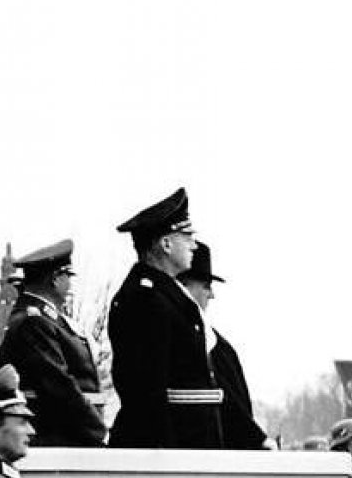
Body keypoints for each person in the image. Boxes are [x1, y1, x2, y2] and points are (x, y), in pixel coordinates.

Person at [107, 187, 224, 448]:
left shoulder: (168, 295)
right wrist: (164, 454)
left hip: (191, 441)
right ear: (166, 244)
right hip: (171, 445)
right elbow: (146, 390)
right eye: (187, 236)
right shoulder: (144, 299)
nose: (194, 245)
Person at [0, 240, 106, 446]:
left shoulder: (44, 319)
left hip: (69, 435)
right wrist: (98, 432)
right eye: (68, 277)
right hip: (59, 436)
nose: (70, 285)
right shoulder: (34, 322)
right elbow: (59, 385)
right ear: (56, 279)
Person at [176, 243, 268, 450]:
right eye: (206, 285)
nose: (212, 295)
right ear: (183, 286)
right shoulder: (198, 342)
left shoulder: (218, 344)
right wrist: (257, 439)